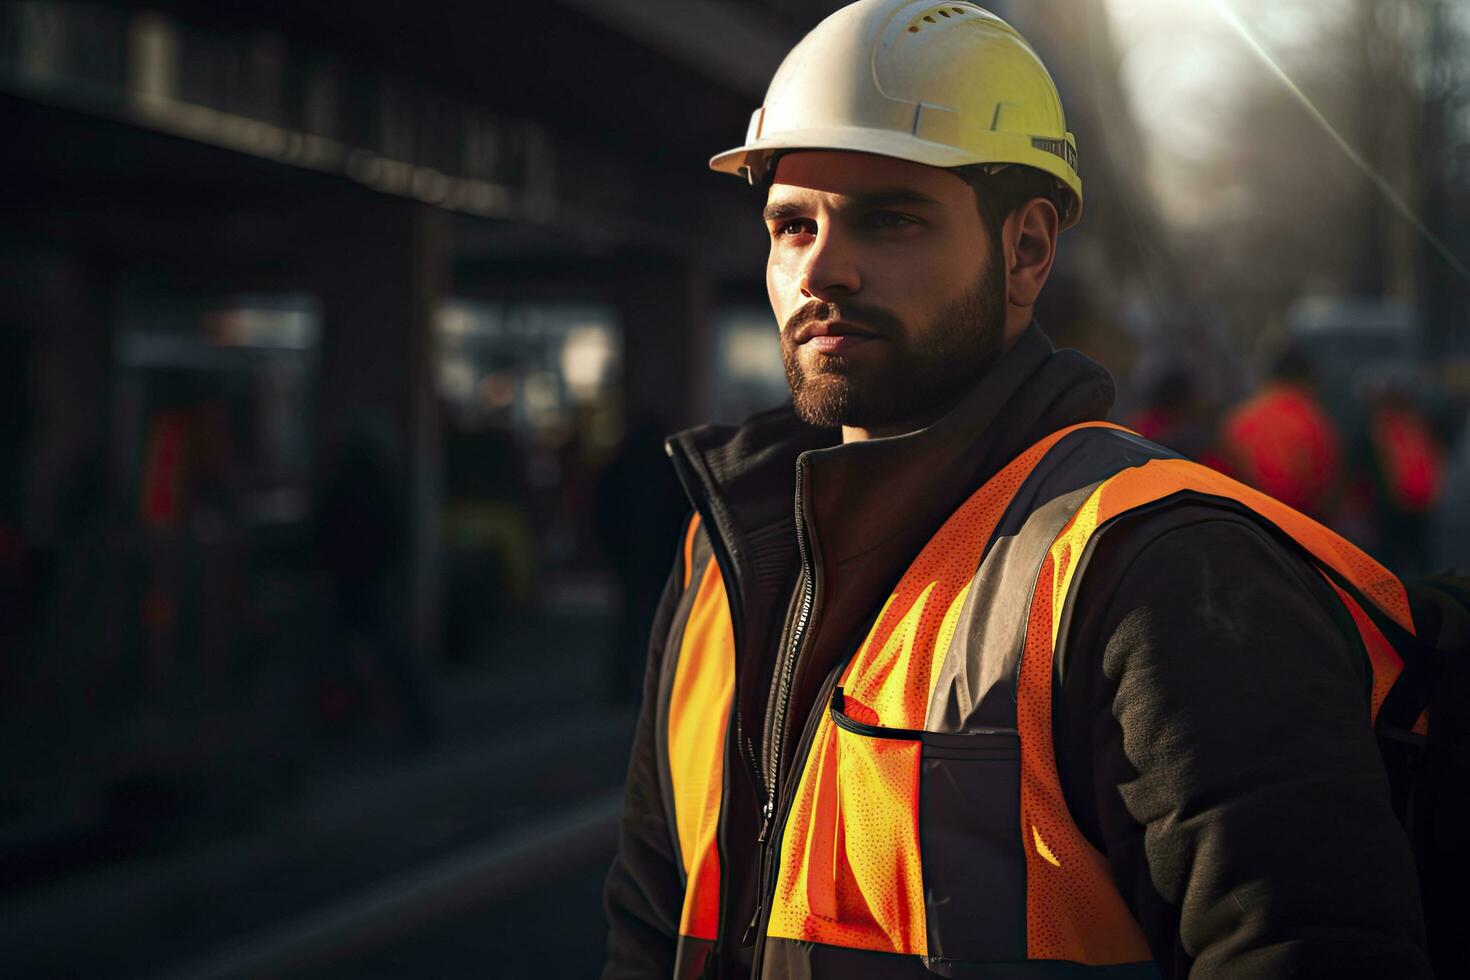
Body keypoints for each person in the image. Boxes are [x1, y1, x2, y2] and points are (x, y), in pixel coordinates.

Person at [603, 3, 1430, 977]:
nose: (822, 266)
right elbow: (647, 931)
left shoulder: (1161, 568)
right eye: (793, 225)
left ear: (1028, 250)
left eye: (890, 217)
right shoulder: (718, 557)